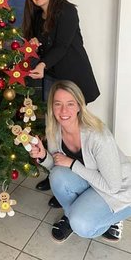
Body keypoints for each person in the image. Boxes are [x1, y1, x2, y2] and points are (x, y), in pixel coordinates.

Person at [22, 0, 100, 207]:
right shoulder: (37, 17)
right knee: (53, 129)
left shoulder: (66, 10)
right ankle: (56, 176)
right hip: (53, 78)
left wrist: (44, 63)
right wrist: (33, 45)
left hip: (74, 79)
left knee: (76, 134)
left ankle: (75, 184)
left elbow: (63, 45)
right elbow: (40, 45)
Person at [30, 80, 131, 243]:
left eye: (70, 104)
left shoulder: (98, 136)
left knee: (83, 226)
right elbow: (57, 167)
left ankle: (112, 217)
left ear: (79, 106)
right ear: (52, 107)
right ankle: (74, 215)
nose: (63, 110)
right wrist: (43, 156)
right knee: (57, 175)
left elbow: (112, 187)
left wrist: (71, 163)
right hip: (91, 182)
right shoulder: (54, 130)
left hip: (119, 188)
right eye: (58, 104)